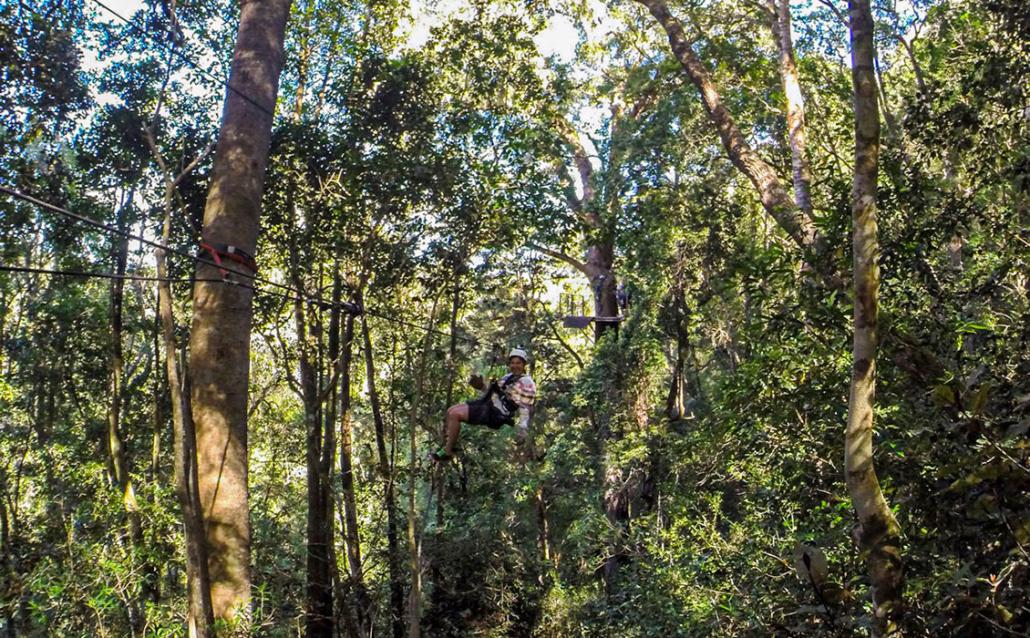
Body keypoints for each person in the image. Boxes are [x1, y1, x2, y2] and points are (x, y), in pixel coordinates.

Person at [430, 348, 537, 462]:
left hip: (497, 414)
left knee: (455, 414)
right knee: (451, 411)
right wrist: (481, 386)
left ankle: (448, 451)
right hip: (489, 405)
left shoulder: (527, 383)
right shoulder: (508, 377)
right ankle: (448, 446)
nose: (515, 366)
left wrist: (523, 428)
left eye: (518, 363)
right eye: (513, 363)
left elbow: (525, 407)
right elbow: (495, 394)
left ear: (524, 364)